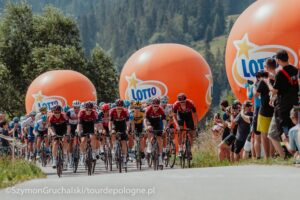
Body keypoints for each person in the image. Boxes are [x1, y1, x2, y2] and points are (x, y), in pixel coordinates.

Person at [269, 50, 299, 158]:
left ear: (278, 60)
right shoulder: (296, 70)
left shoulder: (280, 73)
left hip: (284, 105)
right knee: (295, 125)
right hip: (295, 103)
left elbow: (275, 90)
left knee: (283, 128)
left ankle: (289, 152)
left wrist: (268, 83)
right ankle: (296, 149)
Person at [255, 68, 274, 159]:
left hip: (264, 112)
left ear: (260, 77)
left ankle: (267, 157)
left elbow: (255, 94)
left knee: (264, 136)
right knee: (272, 136)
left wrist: (256, 84)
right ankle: (272, 155)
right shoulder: (273, 80)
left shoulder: (261, 82)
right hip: (273, 111)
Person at [173, 93, 198, 158]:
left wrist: (195, 125)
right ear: (179, 101)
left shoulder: (190, 104)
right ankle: (180, 149)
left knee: (191, 133)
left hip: (188, 116)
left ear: (186, 100)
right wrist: (177, 125)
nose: (182, 103)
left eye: (184, 102)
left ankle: (189, 150)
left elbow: (195, 115)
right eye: (181, 102)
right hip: (180, 115)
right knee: (180, 130)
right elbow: (174, 116)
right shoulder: (176, 105)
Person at [144, 97, 167, 165]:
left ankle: (160, 157)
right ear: (152, 105)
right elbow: (145, 119)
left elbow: (164, 120)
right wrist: (146, 127)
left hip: (157, 122)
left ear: (159, 105)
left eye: (157, 106)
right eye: (154, 106)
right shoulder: (148, 109)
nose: (156, 108)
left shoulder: (161, 109)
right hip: (149, 121)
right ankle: (149, 145)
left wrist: (165, 127)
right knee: (150, 130)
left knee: (159, 139)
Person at [109, 99, 130, 167]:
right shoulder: (112, 111)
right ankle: (114, 146)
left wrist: (127, 130)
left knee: (124, 142)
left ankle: (124, 158)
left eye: (121, 108)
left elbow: (127, 123)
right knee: (113, 133)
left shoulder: (125, 111)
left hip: (122, 125)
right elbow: (110, 122)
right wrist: (110, 129)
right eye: (118, 108)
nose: (119, 109)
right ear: (116, 106)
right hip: (115, 125)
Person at [66, 100, 81, 167]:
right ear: (73, 107)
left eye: (78, 107)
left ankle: (80, 153)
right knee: (70, 142)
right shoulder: (69, 112)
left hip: (78, 125)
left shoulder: (81, 112)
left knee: (81, 138)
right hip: (70, 126)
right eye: (75, 107)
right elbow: (66, 121)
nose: (76, 109)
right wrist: (68, 133)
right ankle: (70, 158)